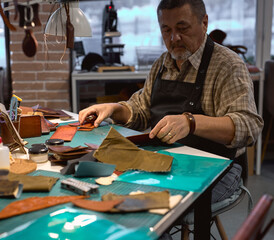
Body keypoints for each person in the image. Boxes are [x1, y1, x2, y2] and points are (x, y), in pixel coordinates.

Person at [79, 0, 263, 203]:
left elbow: (249, 127)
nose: (174, 38)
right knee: (111, 190)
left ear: (204, 22)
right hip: (166, 162)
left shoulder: (228, 65)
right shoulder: (162, 64)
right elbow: (141, 110)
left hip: (218, 168)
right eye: (166, 30)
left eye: (182, 28)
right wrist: (114, 108)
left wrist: (191, 123)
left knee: (151, 203)